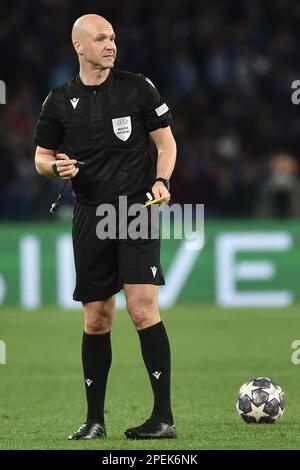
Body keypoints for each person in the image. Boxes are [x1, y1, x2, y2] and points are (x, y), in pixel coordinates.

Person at [34, 14, 177, 440]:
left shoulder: (138, 87)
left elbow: (166, 142)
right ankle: (95, 420)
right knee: (97, 318)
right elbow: (41, 157)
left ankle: (163, 418)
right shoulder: (58, 101)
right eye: (101, 38)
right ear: (80, 47)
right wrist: (54, 166)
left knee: (140, 308)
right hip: (90, 213)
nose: (110, 44)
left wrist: (161, 180)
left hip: (136, 209)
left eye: (112, 37)